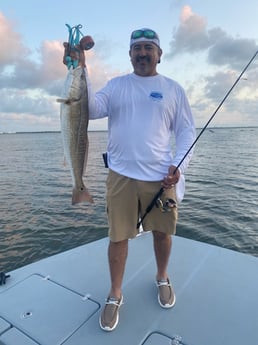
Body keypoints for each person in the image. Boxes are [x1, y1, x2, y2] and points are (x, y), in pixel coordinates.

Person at [66, 28, 196, 331]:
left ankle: (162, 276)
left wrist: (179, 165)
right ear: (129, 54)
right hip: (121, 177)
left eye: (149, 48)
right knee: (117, 237)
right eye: (137, 48)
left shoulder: (173, 89)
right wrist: (80, 67)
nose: (142, 53)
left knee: (163, 233)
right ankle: (115, 293)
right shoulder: (117, 86)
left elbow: (187, 131)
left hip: (162, 178)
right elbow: (91, 108)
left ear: (159, 54)